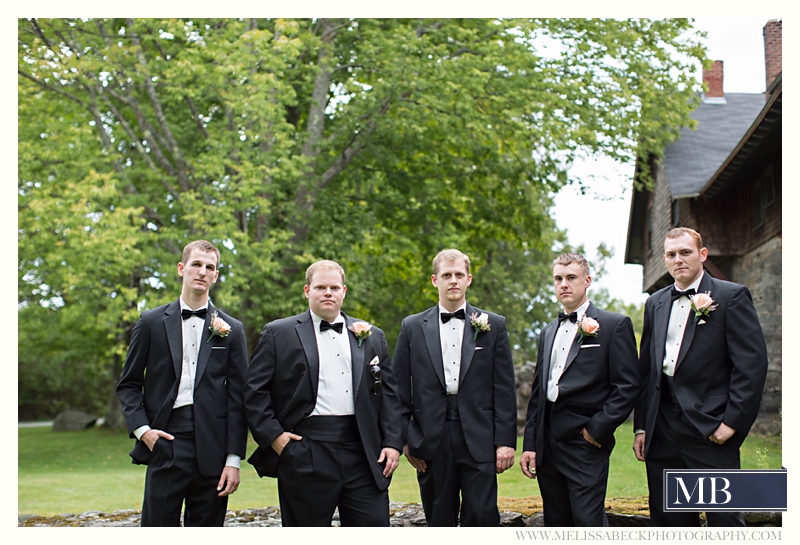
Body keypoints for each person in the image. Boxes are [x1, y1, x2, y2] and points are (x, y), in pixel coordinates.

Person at [245, 260, 402, 526]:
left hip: (363, 452)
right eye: (320, 287)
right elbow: (253, 392)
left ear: (344, 291)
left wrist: (392, 442)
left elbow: (389, 394)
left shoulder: (373, 336)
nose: (327, 292)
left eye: (333, 287)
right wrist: (276, 438)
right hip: (306, 451)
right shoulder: (278, 333)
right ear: (307, 291)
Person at [633, 227, 768, 526]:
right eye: (671, 254)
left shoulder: (731, 296)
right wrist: (641, 426)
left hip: (710, 427)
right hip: (662, 428)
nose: (678, 259)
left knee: (725, 521)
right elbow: (648, 370)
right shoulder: (654, 303)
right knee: (669, 521)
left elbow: (752, 366)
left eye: (685, 252)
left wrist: (731, 423)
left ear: (702, 254)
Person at [116, 239, 248, 526]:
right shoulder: (150, 322)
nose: (202, 272)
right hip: (165, 443)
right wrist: (144, 431)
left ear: (215, 275)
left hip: (213, 450)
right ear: (181, 268)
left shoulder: (232, 330)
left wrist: (233, 460)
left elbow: (238, 399)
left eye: (209, 267)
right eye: (196, 265)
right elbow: (128, 385)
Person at [391, 249, 517, 526]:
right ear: (435, 280)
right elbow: (398, 389)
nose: (453, 281)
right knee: (439, 518)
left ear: (469, 279)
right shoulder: (412, 327)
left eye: (459, 275)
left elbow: (504, 387)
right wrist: (404, 440)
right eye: (446, 275)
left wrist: (506, 442)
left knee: (483, 518)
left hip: (480, 435)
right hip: (430, 439)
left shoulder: (493, 325)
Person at [519, 253, 639, 526]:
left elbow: (628, 386)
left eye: (571, 278)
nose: (564, 284)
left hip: (585, 443)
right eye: (558, 279)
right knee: (556, 521)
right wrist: (530, 444)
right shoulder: (548, 331)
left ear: (587, 281)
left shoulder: (613, 325)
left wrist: (595, 432)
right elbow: (540, 392)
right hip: (547, 445)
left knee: (588, 523)